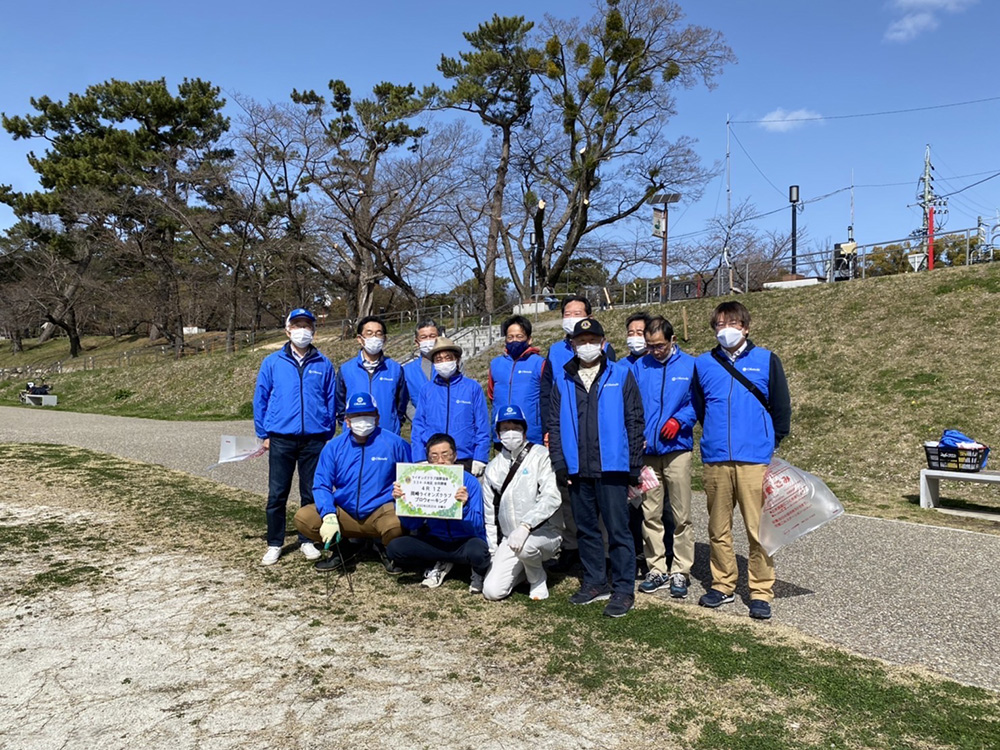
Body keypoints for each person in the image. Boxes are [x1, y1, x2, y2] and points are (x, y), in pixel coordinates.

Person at [692, 301, 791, 620]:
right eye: (720, 324)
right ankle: (722, 584)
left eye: (732, 323)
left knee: (757, 530)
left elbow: (781, 407)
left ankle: (761, 590)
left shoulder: (766, 360)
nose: (726, 329)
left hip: (754, 460)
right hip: (716, 458)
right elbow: (700, 407)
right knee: (718, 529)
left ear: (746, 327)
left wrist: (769, 442)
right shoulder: (704, 364)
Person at [548, 318, 645, 618]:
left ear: (603, 343)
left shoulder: (621, 373)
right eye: (581, 341)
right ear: (573, 345)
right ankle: (594, 581)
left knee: (618, 531)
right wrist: (559, 463)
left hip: (613, 467)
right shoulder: (563, 379)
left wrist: (633, 465)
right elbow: (554, 423)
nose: (587, 345)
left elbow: (634, 420)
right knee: (587, 530)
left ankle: (623, 588)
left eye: (593, 340)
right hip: (578, 468)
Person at [253, 308, 337, 567]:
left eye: (307, 326)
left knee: (311, 492)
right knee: (277, 493)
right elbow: (261, 398)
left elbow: (330, 399)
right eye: (297, 325)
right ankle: (275, 543)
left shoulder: (323, 363)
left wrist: (327, 431)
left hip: (314, 439)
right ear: (287, 330)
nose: (303, 330)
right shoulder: (273, 362)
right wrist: (263, 433)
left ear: (314, 330)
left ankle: (307, 539)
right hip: (281, 437)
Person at [293, 391, 412, 573]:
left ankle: (385, 548)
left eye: (367, 415)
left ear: (377, 418)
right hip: (345, 511)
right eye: (356, 416)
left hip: (381, 510)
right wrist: (328, 514)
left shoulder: (395, 444)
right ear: (347, 420)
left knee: (397, 525)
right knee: (304, 518)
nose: (362, 421)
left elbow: (412, 477)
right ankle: (342, 550)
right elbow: (322, 484)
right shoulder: (334, 447)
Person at [539, 295, 617, 572]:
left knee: (600, 499)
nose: (572, 317)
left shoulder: (603, 349)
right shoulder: (554, 351)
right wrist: (549, 429)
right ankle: (571, 548)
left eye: (578, 312)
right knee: (569, 497)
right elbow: (547, 393)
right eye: (568, 313)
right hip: (566, 432)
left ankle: (606, 554)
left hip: (596, 436)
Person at [632, 315, 696, 598]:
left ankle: (681, 570)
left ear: (672, 340)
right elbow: (631, 405)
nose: (655, 351)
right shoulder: (639, 367)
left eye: (659, 345)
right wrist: (637, 435)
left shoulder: (690, 366)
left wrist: (680, 420)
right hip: (648, 453)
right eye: (650, 346)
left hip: (677, 449)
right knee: (650, 513)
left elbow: (698, 403)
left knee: (681, 514)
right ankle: (655, 566)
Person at [387, 433, 490, 592]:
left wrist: (464, 507)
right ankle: (442, 561)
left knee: (478, 551)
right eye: (434, 456)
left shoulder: (470, 482)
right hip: (436, 540)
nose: (440, 461)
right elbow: (412, 525)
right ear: (427, 459)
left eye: (445, 455)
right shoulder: (420, 480)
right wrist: (402, 502)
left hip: (464, 542)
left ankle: (472, 570)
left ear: (454, 456)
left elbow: (477, 526)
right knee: (395, 548)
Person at [481, 405, 563, 601]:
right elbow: (489, 514)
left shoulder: (541, 455)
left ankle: (537, 578)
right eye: (505, 428)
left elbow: (551, 497)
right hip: (510, 538)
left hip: (543, 533)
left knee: (526, 548)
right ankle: (523, 571)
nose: (510, 433)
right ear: (498, 433)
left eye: (515, 427)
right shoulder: (493, 468)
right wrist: (493, 552)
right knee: (492, 591)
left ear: (524, 430)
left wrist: (526, 526)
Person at [410, 337, 490, 476]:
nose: (443, 362)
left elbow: (482, 425)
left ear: (457, 360)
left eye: (448, 358)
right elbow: (418, 426)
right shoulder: (427, 390)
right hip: (434, 460)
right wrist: (419, 457)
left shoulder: (472, 388)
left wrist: (480, 456)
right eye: (439, 359)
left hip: (464, 458)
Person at [335, 315, 408, 435]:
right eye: (369, 333)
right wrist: (346, 424)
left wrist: (395, 423)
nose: (374, 337)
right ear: (360, 338)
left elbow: (401, 403)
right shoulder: (346, 370)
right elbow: (340, 403)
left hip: (386, 433)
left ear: (384, 339)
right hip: (354, 435)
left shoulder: (395, 369)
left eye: (378, 333)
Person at [487, 315, 545, 445]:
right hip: (502, 433)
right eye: (510, 337)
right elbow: (491, 395)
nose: (514, 340)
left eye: (519, 337)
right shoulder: (496, 364)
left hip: (531, 434)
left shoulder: (539, 363)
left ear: (529, 339)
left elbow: (546, 397)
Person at [402, 319, 442, 421]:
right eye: (424, 337)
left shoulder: (452, 366)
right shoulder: (407, 371)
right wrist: (419, 421)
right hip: (420, 429)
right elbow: (406, 402)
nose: (429, 340)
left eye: (432, 336)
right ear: (417, 342)